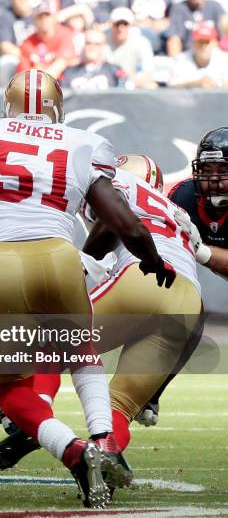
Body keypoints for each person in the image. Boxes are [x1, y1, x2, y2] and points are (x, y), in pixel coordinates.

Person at [0, 69, 175, 508]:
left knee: (13, 391)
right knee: (80, 354)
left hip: (0, 264)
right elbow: (120, 217)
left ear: (7, 106)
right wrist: (151, 258)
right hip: (58, 257)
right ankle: (105, 442)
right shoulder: (83, 142)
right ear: (59, 110)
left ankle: (74, 452)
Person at [81, 154, 203, 459]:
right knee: (119, 406)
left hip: (146, 275)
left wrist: (84, 260)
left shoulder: (121, 185)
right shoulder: (175, 211)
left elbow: (112, 223)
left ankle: (26, 427)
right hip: (188, 302)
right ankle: (104, 470)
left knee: (43, 346)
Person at [135, 127, 228, 426]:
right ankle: (149, 392)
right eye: (207, 169)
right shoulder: (183, 196)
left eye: (222, 169)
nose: (213, 178)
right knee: (188, 314)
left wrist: (202, 252)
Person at [61, 29, 127, 90]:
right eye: (88, 43)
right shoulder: (69, 72)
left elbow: (123, 97)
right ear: (83, 45)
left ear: (103, 46)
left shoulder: (114, 71)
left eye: (97, 44)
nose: (92, 47)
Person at [168, 24, 228, 88]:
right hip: (187, 98)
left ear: (215, 43)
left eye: (207, 42)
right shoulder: (181, 60)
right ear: (193, 43)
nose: (204, 46)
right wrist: (196, 83)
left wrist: (216, 84)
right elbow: (172, 88)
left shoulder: (224, 59)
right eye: (200, 42)